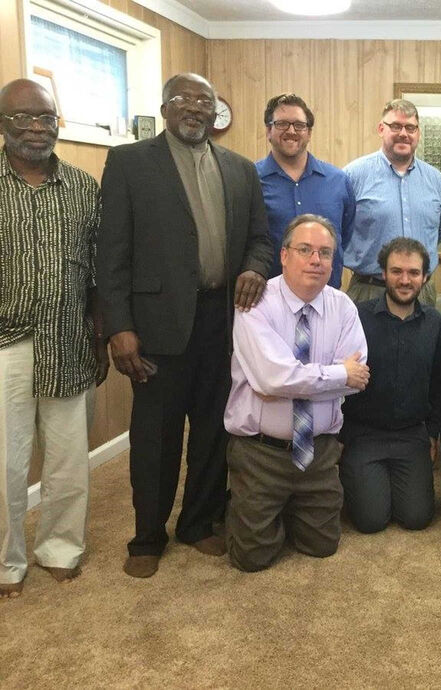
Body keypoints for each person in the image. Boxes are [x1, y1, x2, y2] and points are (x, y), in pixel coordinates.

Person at [97, 73, 273, 579]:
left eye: (205, 101)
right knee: (156, 435)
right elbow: (111, 254)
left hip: (223, 321)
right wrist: (118, 326)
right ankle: (148, 536)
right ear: (165, 108)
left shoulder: (240, 169)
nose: (195, 108)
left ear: (215, 112)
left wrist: (254, 268)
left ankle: (197, 523)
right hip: (156, 326)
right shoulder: (129, 162)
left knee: (214, 430)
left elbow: (261, 239)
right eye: (184, 99)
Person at [0, 79, 108, 598]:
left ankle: (60, 547)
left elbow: (99, 271)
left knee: (68, 460)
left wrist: (100, 338)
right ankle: (7, 561)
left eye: (46, 118)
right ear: (3, 124)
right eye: (23, 117)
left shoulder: (85, 187)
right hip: (7, 344)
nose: (37, 128)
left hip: (68, 340)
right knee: (7, 462)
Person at [223, 215, 369, 571]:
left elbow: (357, 379)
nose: (316, 260)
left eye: (325, 253)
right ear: (284, 255)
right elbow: (274, 378)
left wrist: (289, 385)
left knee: (323, 546)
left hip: (319, 451)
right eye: (305, 250)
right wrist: (336, 375)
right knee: (251, 559)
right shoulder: (255, 302)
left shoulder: (343, 307)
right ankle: (255, 504)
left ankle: (286, 508)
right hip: (261, 452)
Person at [340, 238, 441, 533]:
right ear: (384, 273)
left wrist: (432, 434)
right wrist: (342, 437)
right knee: (371, 520)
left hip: (411, 434)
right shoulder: (357, 317)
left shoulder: (435, 323)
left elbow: (439, 384)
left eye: (413, 272)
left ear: (425, 277)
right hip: (364, 434)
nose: (405, 280)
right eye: (397, 271)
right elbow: (342, 380)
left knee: (416, 518)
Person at [343, 99, 441, 306]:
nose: (403, 133)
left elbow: (440, 231)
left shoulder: (435, 180)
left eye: (410, 127)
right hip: (369, 291)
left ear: (418, 133)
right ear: (381, 129)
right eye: (395, 126)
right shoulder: (353, 175)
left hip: (421, 294)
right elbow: (338, 230)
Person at [256, 93, 355, 288]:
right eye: (282, 124)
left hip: (325, 297)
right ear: (268, 130)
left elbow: (344, 236)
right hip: (268, 298)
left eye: (299, 125)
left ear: (309, 133)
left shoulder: (338, 181)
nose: (291, 131)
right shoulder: (251, 179)